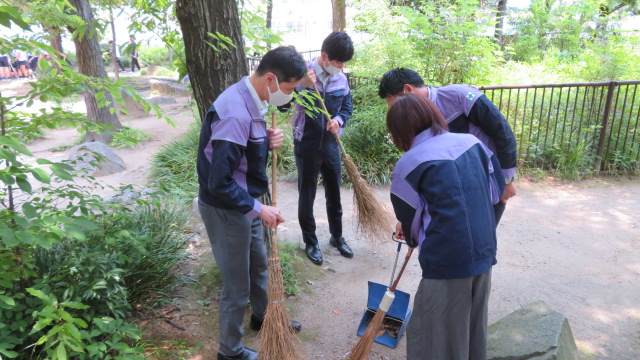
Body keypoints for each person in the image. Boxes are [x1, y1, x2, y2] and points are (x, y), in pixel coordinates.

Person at [196, 45, 306, 360]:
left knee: (259, 264)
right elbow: (219, 182)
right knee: (236, 286)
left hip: (247, 201)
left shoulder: (252, 98)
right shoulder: (234, 112)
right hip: (228, 209)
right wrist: (260, 208)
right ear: (271, 79)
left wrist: (264, 140)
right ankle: (229, 351)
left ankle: (264, 316)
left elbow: (242, 147)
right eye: (289, 89)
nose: (290, 95)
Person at [387, 94, 504, 360]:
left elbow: (412, 232)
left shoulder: (407, 165)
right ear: (433, 115)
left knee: (432, 336)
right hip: (484, 251)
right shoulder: (474, 144)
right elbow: (496, 193)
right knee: (473, 327)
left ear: (399, 131)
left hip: (446, 258)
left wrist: (410, 232)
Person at [378, 68, 517, 224]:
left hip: (485, 179)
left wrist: (506, 180)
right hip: (452, 188)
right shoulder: (413, 117)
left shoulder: (461, 95)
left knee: (481, 235)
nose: (394, 110)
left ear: (408, 89)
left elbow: (502, 131)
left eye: (394, 102)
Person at [286, 31, 355, 265]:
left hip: (330, 144)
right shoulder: (301, 73)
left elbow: (347, 107)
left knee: (334, 190)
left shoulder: (341, 80)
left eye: (344, 62)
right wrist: (300, 85)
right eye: (338, 62)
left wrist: (339, 121)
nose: (341, 66)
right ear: (325, 56)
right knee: (307, 193)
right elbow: (282, 103)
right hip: (305, 142)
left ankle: (337, 237)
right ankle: (311, 241)